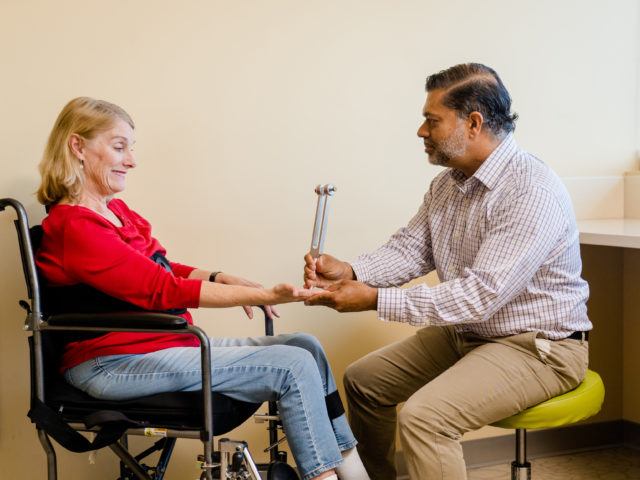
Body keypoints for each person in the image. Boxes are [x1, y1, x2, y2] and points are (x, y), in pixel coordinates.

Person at [35, 97, 369, 480]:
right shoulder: (74, 227)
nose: (131, 160)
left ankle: (353, 472)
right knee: (290, 366)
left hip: (158, 349)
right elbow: (159, 288)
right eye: (119, 146)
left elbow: (158, 267)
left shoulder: (115, 213)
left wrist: (216, 276)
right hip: (110, 364)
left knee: (304, 346)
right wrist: (264, 295)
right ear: (78, 146)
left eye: (131, 148)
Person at [303, 63, 591, 479]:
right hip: (471, 333)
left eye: (431, 120)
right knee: (364, 382)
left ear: (473, 123)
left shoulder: (531, 190)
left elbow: (479, 296)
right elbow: (411, 249)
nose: (422, 132)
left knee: (425, 418)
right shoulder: (449, 184)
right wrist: (349, 269)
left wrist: (373, 299)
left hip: (539, 347)